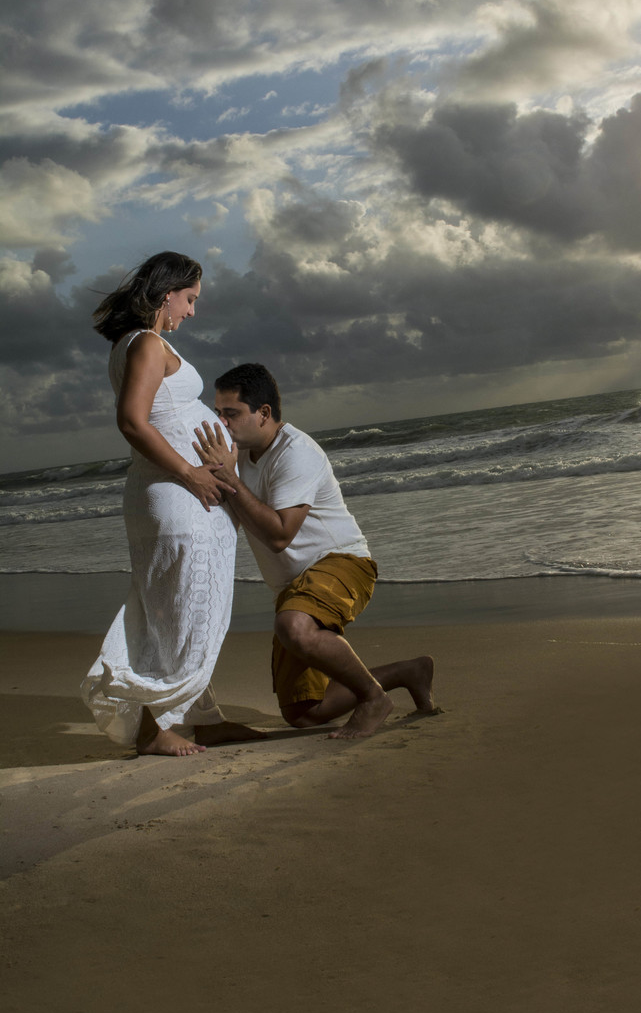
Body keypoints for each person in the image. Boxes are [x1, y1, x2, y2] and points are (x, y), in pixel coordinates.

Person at [192, 363, 438, 739]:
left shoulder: (296, 452)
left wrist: (227, 478)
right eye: (218, 413)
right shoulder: (237, 457)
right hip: (293, 588)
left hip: (342, 562)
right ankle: (408, 672)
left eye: (232, 413)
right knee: (304, 714)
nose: (222, 423)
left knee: (294, 626)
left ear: (263, 413)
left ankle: (374, 698)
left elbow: (278, 536)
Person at [81, 253, 264, 756]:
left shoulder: (133, 344)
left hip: (167, 495)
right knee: (182, 615)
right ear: (168, 294)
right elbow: (133, 422)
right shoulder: (144, 344)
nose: (192, 311)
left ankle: (203, 719)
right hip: (176, 497)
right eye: (190, 299)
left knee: (172, 611)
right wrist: (189, 472)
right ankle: (148, 728)